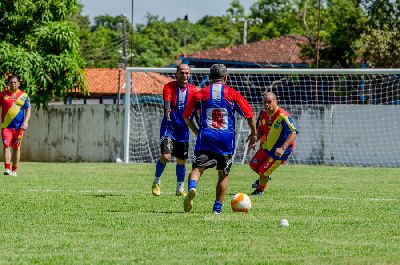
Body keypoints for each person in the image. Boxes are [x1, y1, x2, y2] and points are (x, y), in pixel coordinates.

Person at [182, 64, 257, 214]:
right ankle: (217, 208)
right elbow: (249, 116)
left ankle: (192, 187)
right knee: (223, 175)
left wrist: (197, 132)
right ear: (225, 78)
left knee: (197, 169)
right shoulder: (233, 94)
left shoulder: (201, 93)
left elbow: (186, 116)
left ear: (209, 78)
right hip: (225, 140)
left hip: (206, 138)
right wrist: (254, 133)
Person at [151, 64, 199, 196]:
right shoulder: (169, 87)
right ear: (176, 74)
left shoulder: (194, 91)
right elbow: (167, 103)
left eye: (187, 73)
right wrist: (166, 111)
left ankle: (179, 189)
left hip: (183, 131)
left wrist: (201, 128)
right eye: (182, 73)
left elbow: (198, 112)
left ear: (189, 74)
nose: (184, 75)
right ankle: (156, 181)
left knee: (181, 161)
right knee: (166, 156)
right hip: (169, 128)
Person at [249, 91, 298, 195]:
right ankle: (265, 176)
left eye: (269, 102)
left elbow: (293, 133)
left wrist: (282, 148)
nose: (267, 105)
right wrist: (255, 140)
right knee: (253, 165)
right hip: (268, 146)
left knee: (263, 171)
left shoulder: (282, 116)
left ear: (276, 101)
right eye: (264, 102)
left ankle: (260, 190)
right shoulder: (263, 114)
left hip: (280, 151)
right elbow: (261, 130)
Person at [0, 75, 31, 176]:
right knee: (6, 146)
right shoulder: (2, 94)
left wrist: (26, 122)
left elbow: (28, 109)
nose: (13, 84)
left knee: (16, 147)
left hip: (19, 128)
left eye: (15, 82)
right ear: (8, 84)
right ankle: (7, 169)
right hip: (6, 126)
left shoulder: (24, 95)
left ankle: (14, 170)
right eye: (11, 82)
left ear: (18, 83)